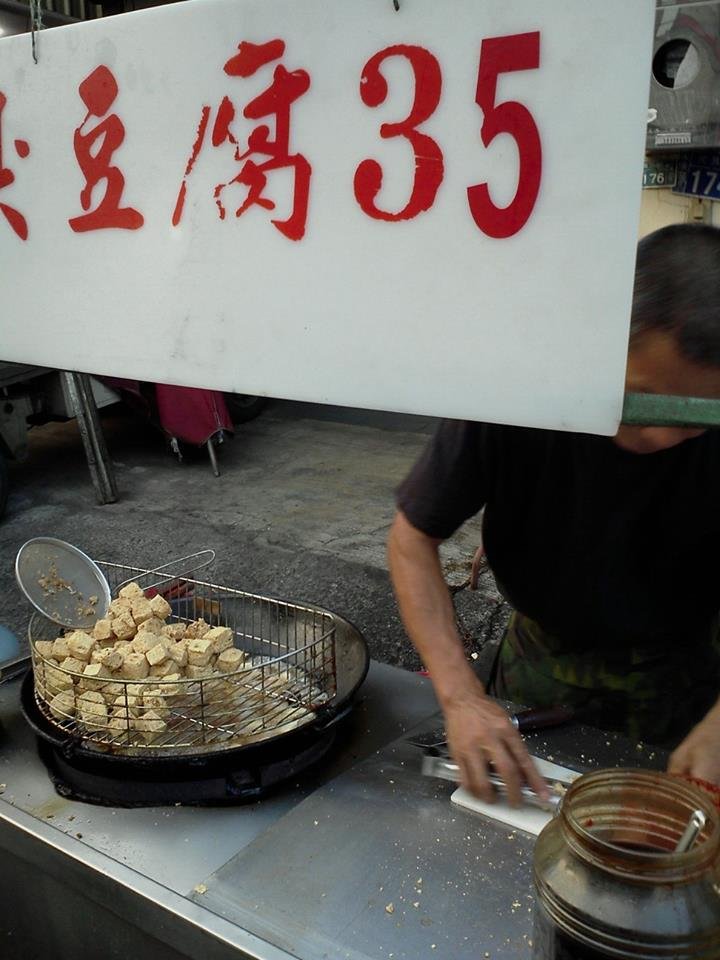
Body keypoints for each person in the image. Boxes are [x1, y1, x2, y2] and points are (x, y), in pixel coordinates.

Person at [388, 223, 720, 806]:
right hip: (540, 664)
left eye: (692, 421)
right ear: (607, 339)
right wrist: (462, 698)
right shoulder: (522, 389)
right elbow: (412, 539)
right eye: (638, 400)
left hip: (689, 676)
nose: (660, 437)